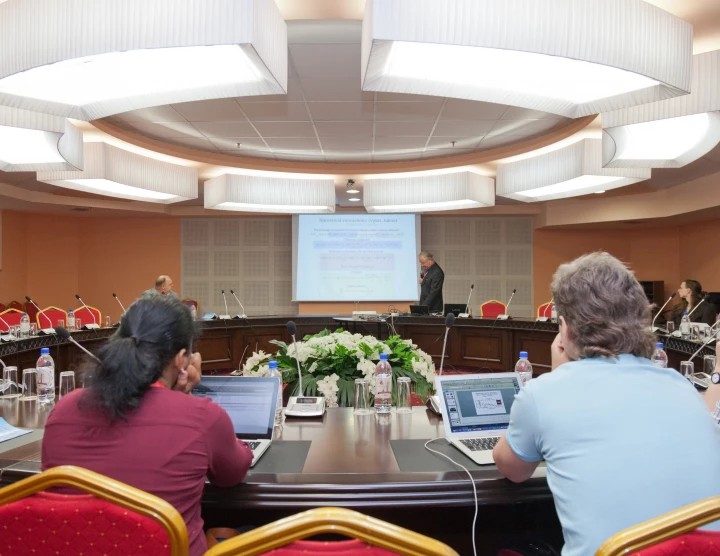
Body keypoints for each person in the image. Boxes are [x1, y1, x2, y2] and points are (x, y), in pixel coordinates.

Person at [492, 252, 720, 556]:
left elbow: (512, 469)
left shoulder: (543, 394)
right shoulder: (680, 384)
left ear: (565, 328)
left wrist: (560, 374)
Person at [42, 296, 253, 556]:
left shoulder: (64, 408)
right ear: (180, 360)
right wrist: (185, 397)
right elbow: (233, 473)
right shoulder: (201, 416)